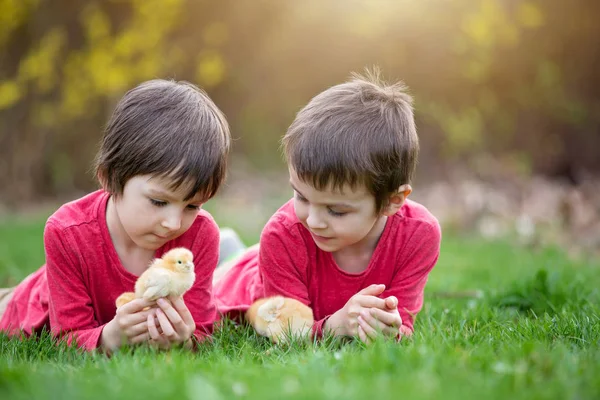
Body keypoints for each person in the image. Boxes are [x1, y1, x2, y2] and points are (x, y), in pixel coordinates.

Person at [0, 79, 230, 352]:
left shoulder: (201, 235)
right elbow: (65, 338)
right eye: (158, 201)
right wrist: (110, 337)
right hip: (36, 304)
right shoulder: (67, 232)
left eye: (192, 206)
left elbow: (202, 332)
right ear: (109, 179)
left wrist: (184, 340)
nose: (174, 223)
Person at [213, 70, 441, 343]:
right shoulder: (283, 235)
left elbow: (401, 323)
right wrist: (335, 325)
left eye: (336, 210)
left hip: (281, 266)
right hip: (251, 283)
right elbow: (285, 333)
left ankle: (235, 251)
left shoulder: (418, 235)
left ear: (392, 201)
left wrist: (390, 330)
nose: (314, 221)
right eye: (301, 197)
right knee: (227, 275)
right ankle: (229, 254)